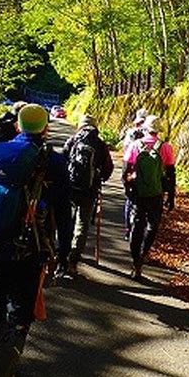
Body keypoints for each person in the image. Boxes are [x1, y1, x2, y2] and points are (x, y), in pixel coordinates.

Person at [0, 103, 72, 377]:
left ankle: (3, 365)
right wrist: (64, 251)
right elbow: (64, 212)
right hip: (30, 249)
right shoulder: (53, 162)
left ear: (18, 126)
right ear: (46, 128)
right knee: (20, 317)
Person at [122, 114, 176, 280]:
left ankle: (136, 262)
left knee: (137, 227)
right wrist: (171, 196)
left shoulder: (134, 145)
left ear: (144, 128)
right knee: (153, 225)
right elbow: (171, 174)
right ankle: (145, 253)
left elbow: (125, 172)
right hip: (156, 194)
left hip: (138, 194)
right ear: (158, 130)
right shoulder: (166, 148)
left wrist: (129, 190)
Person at [63, 114, 114, 277]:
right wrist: (99, 178)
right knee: (83, 224)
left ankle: (61, 257)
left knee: (66, 222)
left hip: (70, 188)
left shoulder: (73, 141)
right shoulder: (100, 144)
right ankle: (73, 261)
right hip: (89, 190)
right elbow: (108, 168)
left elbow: (63, 160)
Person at [121, 108, 148, 240]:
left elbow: (125, 151)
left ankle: (127, 230)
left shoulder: (130, 133)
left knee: (129, 200)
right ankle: (140, 232)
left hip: (132, 170)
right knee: (143, 202)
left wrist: (124, 178)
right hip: (145, 174)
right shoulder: (151, 136)